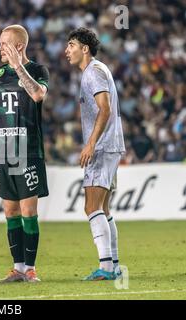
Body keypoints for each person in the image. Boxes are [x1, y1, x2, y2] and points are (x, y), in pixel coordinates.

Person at [0, 25, 49, 283]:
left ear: (19, 46)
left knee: (28, 211)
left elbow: (37, 94)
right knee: (10, 211)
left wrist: (18, 65)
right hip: (4, 150)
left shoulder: (37, 70)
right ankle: (18, 268)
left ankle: (30, 269)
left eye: (4, 44)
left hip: (28, 150)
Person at [65, 27, 125, 280]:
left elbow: (105, 108)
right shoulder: (96, 70)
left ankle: (107, 267)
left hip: (102, 147)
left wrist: (90, 144)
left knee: (91, 207)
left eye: (71, 45)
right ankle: (114, 264)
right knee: (104, 208)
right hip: (110, 145)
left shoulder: (94, 72)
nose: (67, 50)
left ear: (84, 48)